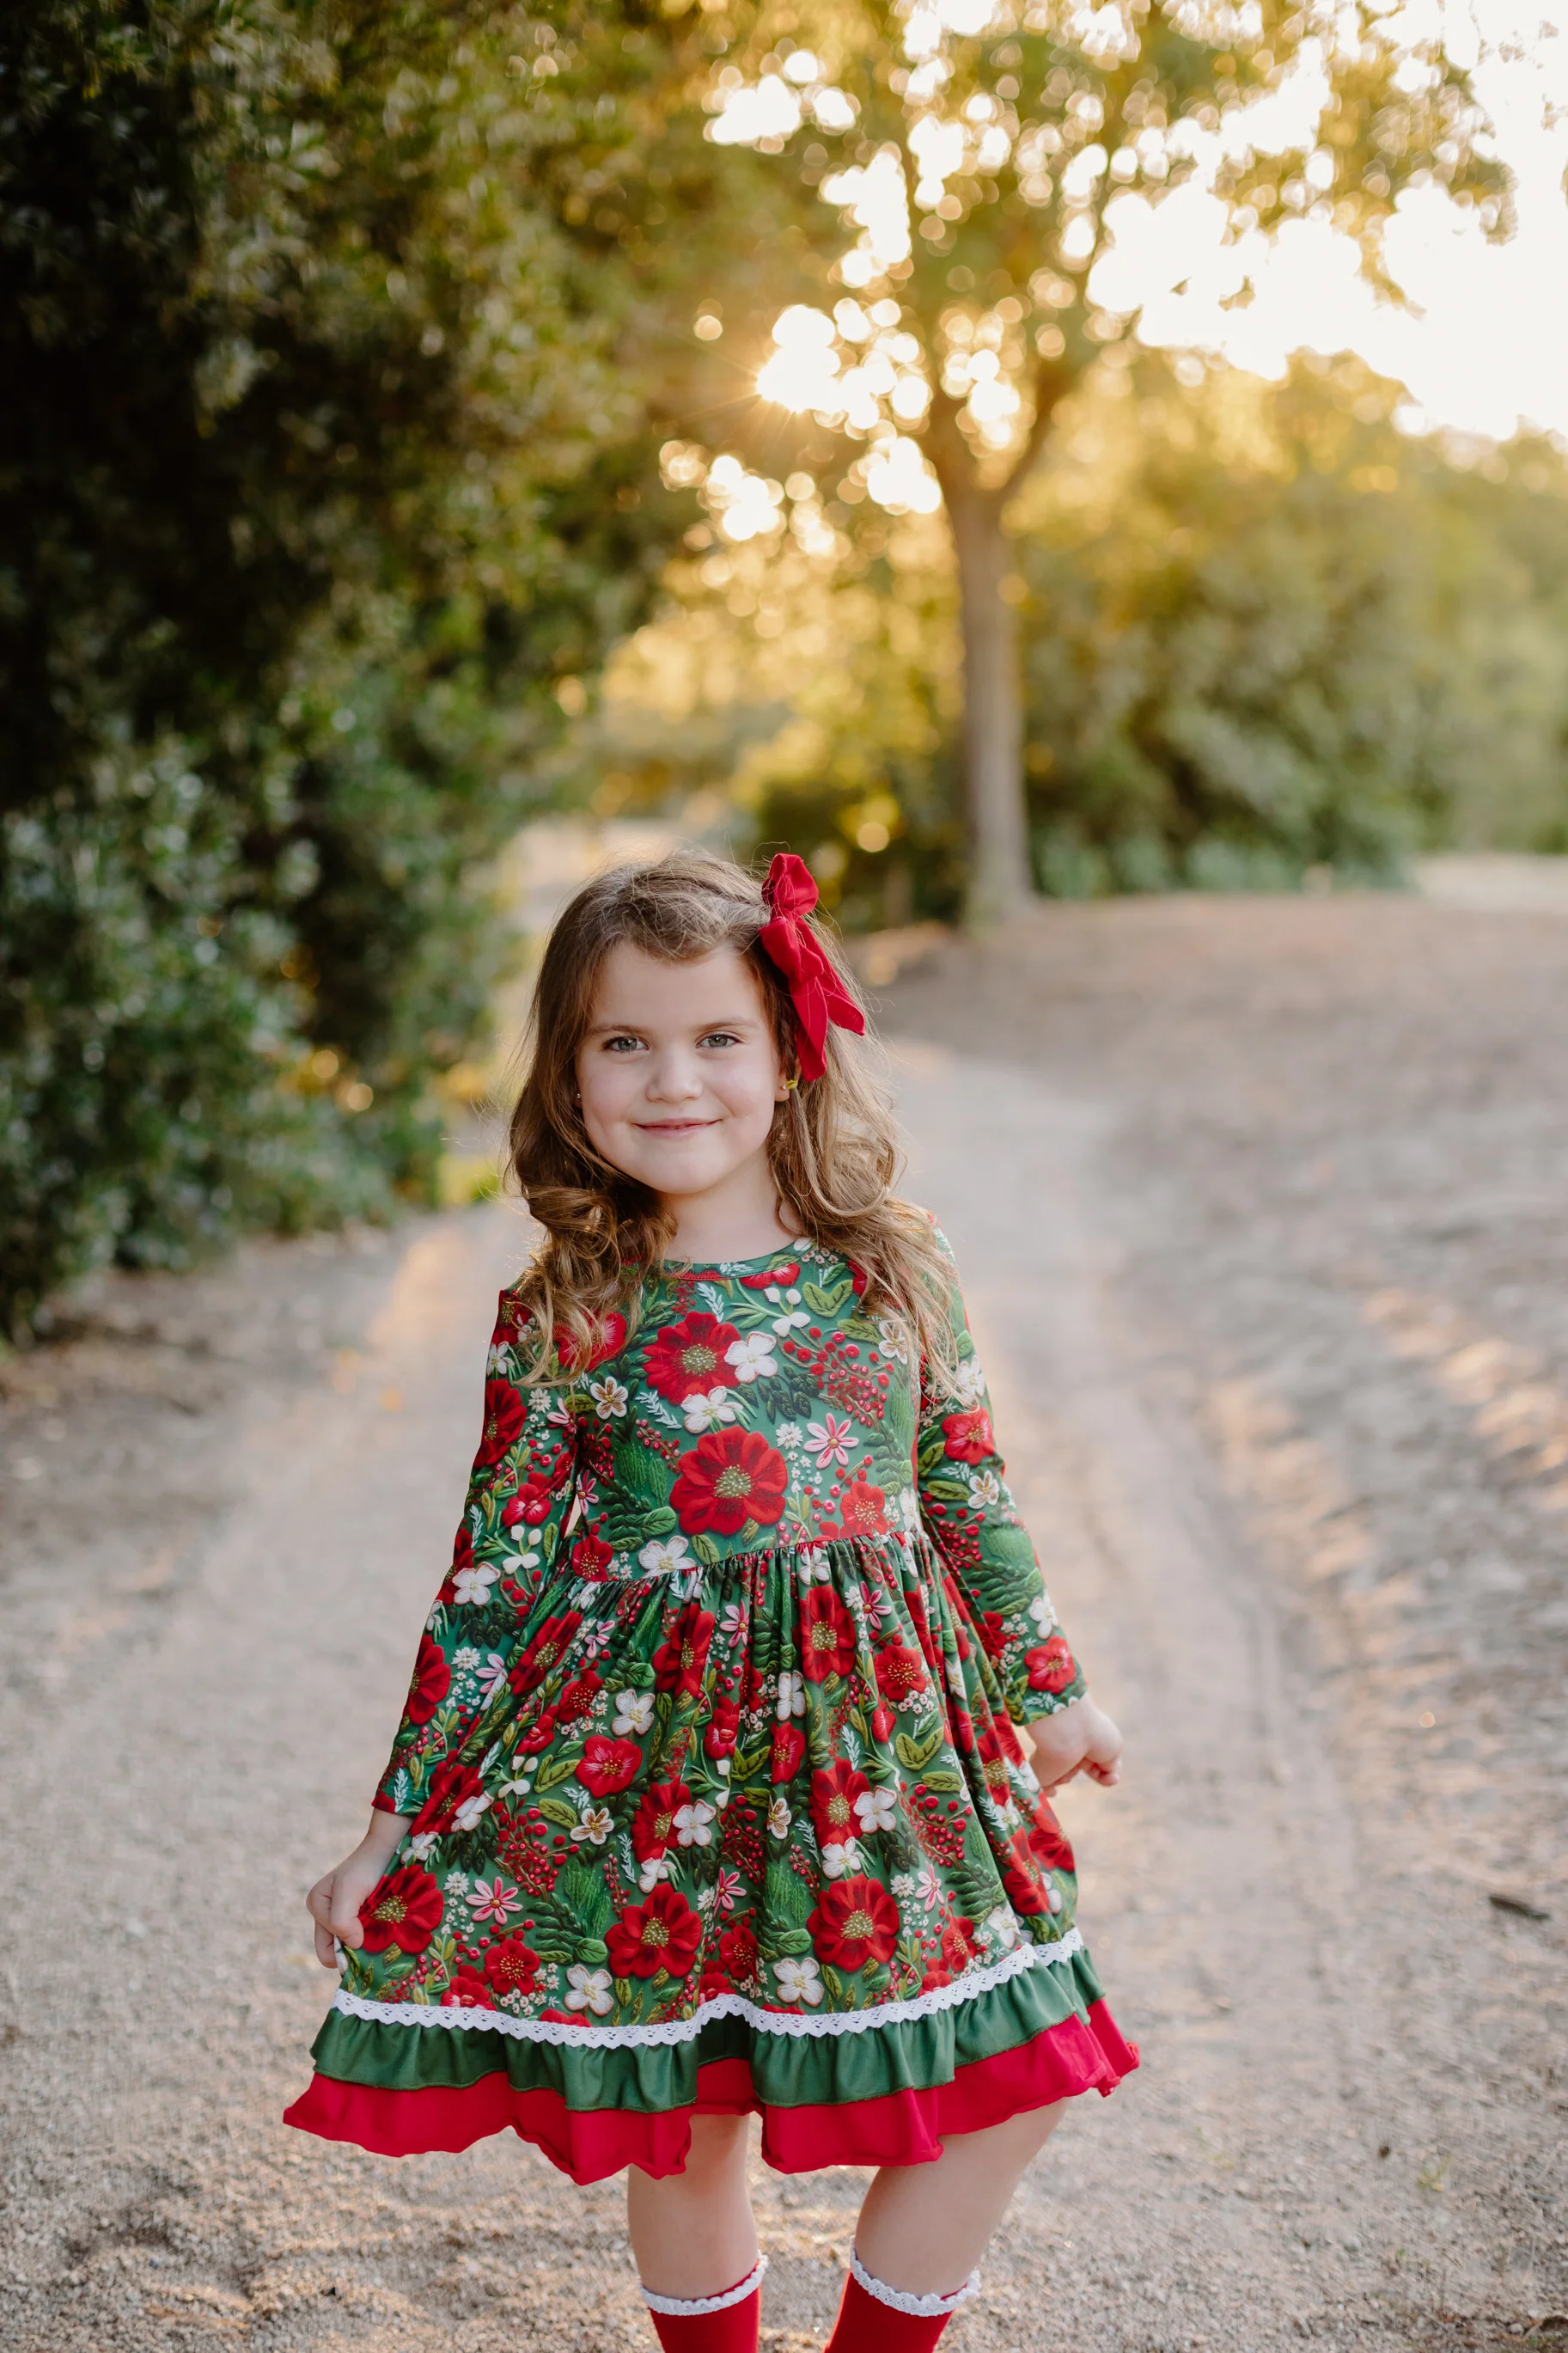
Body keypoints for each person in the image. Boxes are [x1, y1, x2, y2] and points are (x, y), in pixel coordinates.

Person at [285, 847, 1134, 2352]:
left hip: (881, 1759)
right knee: (687, 2120)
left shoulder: (892, 1264)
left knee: (1023, 2069)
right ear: (570, 1071)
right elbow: (489, 1585)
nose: (674, 1080)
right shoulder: (568, 1311)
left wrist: (1048, 1689)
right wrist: (395, 1821)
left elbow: (966, 1489)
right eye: (625, 1042)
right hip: (651, 1774)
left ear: (792, 1047)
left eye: (715, 1036)